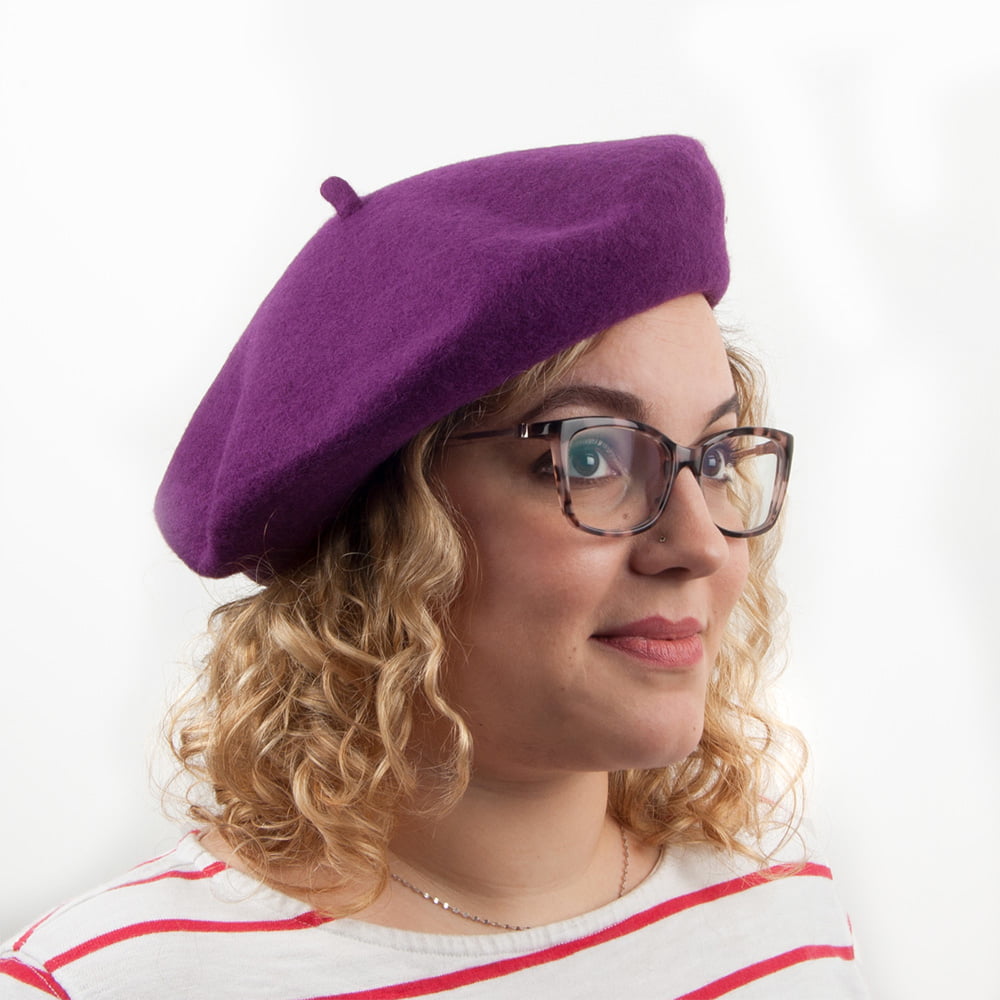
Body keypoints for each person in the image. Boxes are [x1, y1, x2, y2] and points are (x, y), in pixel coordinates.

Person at [0, 136, 868, 998]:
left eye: (714, 458)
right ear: (385, 534)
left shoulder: (781, 917)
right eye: (591, 457)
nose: (703, 545)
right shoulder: (112, 983)